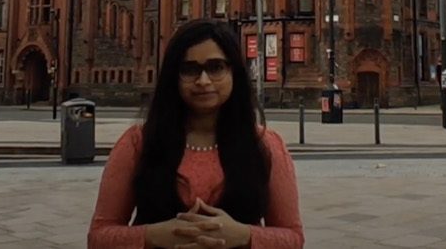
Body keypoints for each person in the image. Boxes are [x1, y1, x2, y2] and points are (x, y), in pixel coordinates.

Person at [89, 19, 303, 248]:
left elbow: (293, 238)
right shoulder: (138, 143)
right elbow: (98, 237)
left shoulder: (265, 145)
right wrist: (153, 235)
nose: (203, 81)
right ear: (174, 76)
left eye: (216, 67)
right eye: (189, 69)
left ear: (234, 72)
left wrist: (244, 235)